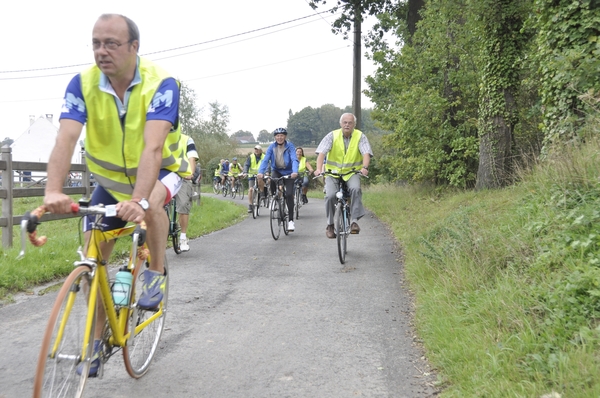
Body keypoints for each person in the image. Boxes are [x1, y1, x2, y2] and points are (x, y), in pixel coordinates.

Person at [42, 14, 190, 376]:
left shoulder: (162, 83)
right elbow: (66, 138)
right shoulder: (82, 84)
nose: (101, 51)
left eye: (111, 43)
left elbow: (153, 149)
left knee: (152, 204)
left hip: (163, 172)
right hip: (109, 182)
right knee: (93, 260)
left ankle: (155, 272)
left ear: (134, 47)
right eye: (96, 43)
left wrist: (139, 200)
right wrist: (52, 191)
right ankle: (94, 343)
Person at [315, 113, 372, 239]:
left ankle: (354, 221)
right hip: (332, 173)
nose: (347, 124)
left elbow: (366, 153)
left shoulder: (360, 136)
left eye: (350, 122)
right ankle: (330, 225)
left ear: (354, 125)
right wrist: (319, 169)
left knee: (355, 189)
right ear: (341, 124)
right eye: (345, 122)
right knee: (330, 196)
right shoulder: (332, 135)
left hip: (351, 172)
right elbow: (321, 153)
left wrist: (365, 167)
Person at [257, 128, 299, 231]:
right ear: (275, 137)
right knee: (271, 179)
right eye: (277, 136)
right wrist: (260, 172)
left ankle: (290, 221)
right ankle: (274, 198)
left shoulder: (290, 146)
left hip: (289, 172)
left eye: (282, 135)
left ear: (285, 137)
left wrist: (294, 171)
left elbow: (294, 159)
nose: (279, 137)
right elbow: (266, 160)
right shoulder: (272, 147)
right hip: (277, 170)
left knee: (289, 194)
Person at [175, 134, 199, 252]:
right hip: (165, 175)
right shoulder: (158, 135)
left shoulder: (187, 140)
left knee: (184, 203)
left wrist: (191, 173)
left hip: (183, 175)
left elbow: (191, 158)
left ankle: (183, 237)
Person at [242, 144, 265, 213]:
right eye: (255, 149)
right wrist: (245, 172)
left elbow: (267, 165)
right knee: (250, 190)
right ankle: (250, 205)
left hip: (260, 174)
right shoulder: (251, 157)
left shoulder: (264, 157)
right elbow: (246, 164)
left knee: (260, 180)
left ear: (261, 150)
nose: (256, 150)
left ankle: (261, 192)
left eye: (257, 149)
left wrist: (266, 172)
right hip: (251, 175)